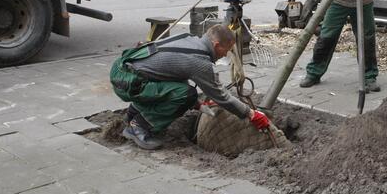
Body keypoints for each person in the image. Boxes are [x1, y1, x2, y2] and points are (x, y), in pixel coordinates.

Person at [109, 25, 269, 150]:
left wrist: (199, 105)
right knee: (187, 95)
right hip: (128, 81)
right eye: (226, 50)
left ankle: (134, 112)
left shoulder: (190, 39)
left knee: (182, 93)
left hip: (124, 69)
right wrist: (250, 113)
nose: (226, 54)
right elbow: (221, 96)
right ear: (216, 44)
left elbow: (173, 74)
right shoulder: (200, 61)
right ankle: (139, 126)